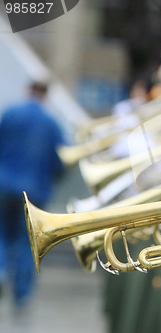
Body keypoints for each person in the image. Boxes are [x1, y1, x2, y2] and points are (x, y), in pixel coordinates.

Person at [0, 81, 64, 308]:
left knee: (2, 234)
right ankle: (22, 294)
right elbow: (61, 160)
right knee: (28, 242)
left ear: (28, 91)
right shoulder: (51, 123)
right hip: (34, 190)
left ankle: (0, 272)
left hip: (4, 184)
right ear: (45, 95)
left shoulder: (10, 113)